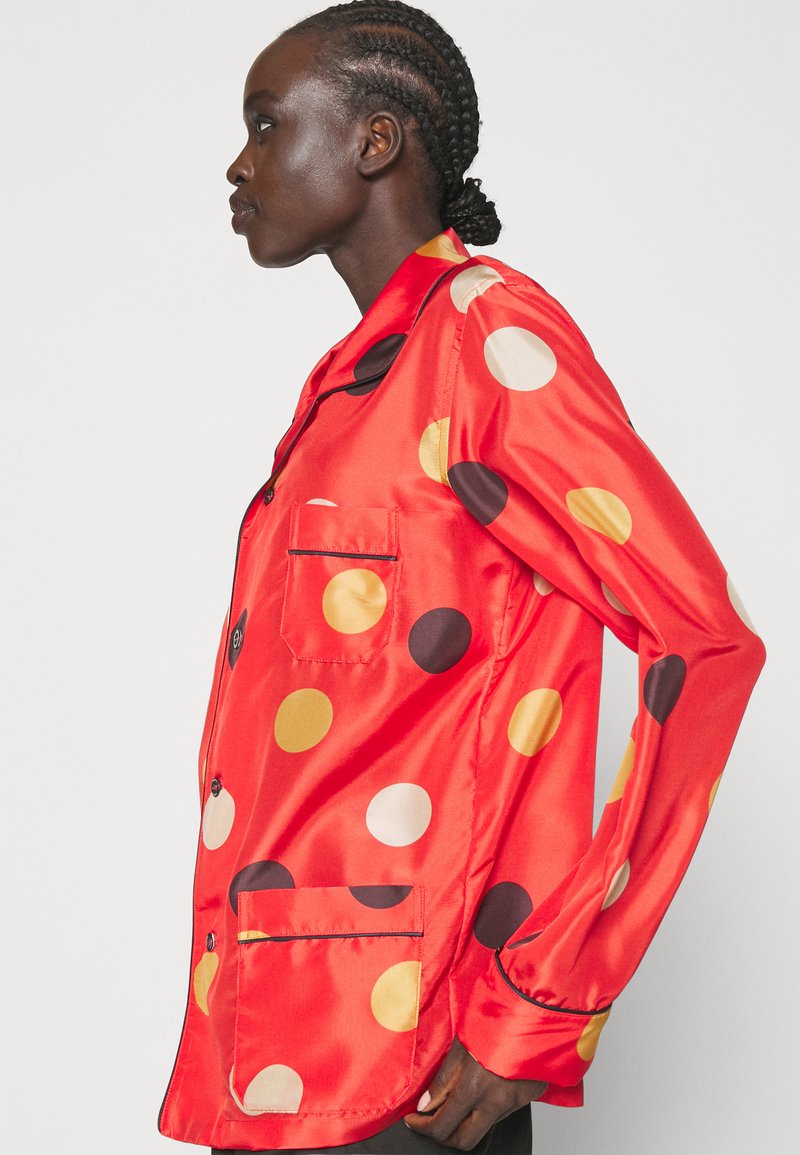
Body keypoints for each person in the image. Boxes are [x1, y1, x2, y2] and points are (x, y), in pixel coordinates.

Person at [157, 3, 766, 1152]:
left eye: (266, 123)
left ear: (375, 140)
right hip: (283, 1035)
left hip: (410, 1059)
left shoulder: (486, 343)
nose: (238, 164)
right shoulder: (357, 384)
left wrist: (543, 1002)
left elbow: (705, 640)